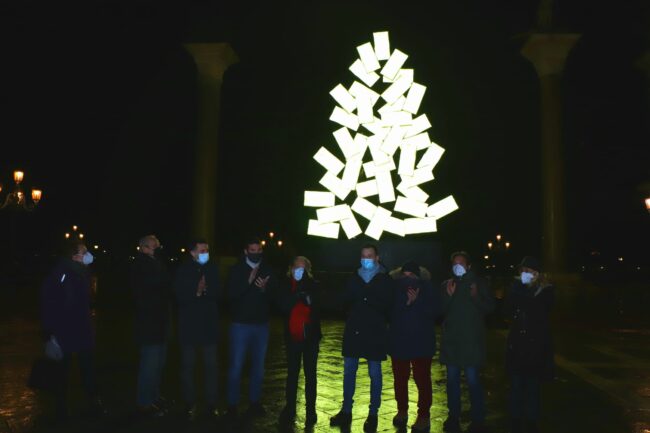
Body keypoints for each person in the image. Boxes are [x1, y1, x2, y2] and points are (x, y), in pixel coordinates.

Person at [330, 244, 393, 433]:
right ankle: (346, 410)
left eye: (370, 255)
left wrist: (365, 298)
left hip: (374, 332)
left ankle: (373, 413)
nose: (366, 259)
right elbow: (344, 299)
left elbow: (387, 305)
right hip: (355, 330)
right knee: (349, 371)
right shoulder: (353, 278)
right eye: (363, 256)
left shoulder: (385, 279)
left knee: (375, 373)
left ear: (377, 258)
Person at [41, 240, 105, 422]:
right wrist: (49, 333)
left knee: (88, 368)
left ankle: (93, 401)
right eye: (84, 251)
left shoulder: (82, 273)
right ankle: (61, 407)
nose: (88, 254)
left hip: (81, 328)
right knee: (63, 370)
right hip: (65, 330)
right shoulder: (61, 273)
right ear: (74, 255)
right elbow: (50, 303)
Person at [440, 251, 494, 433]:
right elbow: (439, 311)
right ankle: (453, 416)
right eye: (455, 263)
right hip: (452, 343)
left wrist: (476, 296)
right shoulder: (447, 285)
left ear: (469, 266)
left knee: (473, 382)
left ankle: (478, 419)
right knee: (452, 382)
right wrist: (448, 296)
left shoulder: (479, 284)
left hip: (472, 343)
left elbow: (490, 308)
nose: (458, 267)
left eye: (461, 263)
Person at [226, 238, 277, 419]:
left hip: (261, 325)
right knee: (236, 366)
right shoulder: (237, 269)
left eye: (259, 249)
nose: (256, 253)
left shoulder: (268, 269)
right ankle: (232, 405)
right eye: (252, 250)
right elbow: (230, 295)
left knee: (259, 367)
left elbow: (274, 295)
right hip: (240, 324)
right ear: (246, 251)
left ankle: (254, 402)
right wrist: (247, 281)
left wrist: (265, 288)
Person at [388, 261, 441, 432]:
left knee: (422, 379)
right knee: (400, 379)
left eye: (412, 275)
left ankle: (423, 415)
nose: (408, 279)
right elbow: (389, 311)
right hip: (400, 340)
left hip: (421, 341)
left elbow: (435, 312)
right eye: (405, 275)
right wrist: (407, 304)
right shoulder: (394, 288)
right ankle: (402, 410)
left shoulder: (428, 289)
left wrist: (417, 302)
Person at [506, 257, 554, 433]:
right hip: (517, 345)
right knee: (516, 385)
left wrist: (523, 290)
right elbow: (508, 308)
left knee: (533, 387)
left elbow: (537, 309)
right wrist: (518, 289)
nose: (525, 274)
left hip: (536, 346)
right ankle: (515, 419)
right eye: (523, 270)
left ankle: (532, 421)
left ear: (537, 274)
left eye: (529, 271)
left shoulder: (546, 291)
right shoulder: (516, 288)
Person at [173, 239, 220, 420]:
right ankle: (189, 403)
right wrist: (197, 291)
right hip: (189, 327)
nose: (205, 253)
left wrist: (207, 290)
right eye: (202, 250)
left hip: (208, 326)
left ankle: (211, 404)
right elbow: (179, 296)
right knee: (188, 367)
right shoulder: (183, 270)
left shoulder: (212, 268)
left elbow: (219, 292)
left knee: (211, 367)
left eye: (207, 250)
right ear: (192, 252)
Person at [277, 256, 322, 426]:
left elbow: (318, 307)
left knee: (311, 375)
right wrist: (297, 294)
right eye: (297, 267)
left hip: (310, 337)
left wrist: (308, 295)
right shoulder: (285, 285)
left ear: (308, 270)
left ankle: (311, 410)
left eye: (303, 268)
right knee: (292, 373)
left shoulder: (314, 285)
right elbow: (282, 306)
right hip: (292, 337)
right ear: (291, 268)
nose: (299, 271)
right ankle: (290, 408)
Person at [130, 234, 171, 416]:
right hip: (149, 324)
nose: (157, 249)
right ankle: (144, 402)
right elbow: (150, 290)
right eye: (154, 246)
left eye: (157, 245)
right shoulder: (141, 265)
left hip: (158, 322)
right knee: (149, 364)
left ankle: (154, 396)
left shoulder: (154, 263)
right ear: (144, 247)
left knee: (157, 364)